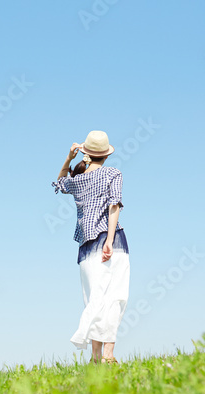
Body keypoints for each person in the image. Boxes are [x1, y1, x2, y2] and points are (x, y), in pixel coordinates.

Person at [52, 130, 130, 364]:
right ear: (106, 155)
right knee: (115, 296)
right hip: (114, 241)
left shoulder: (78, 180)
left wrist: (68, 158)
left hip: (87, 245)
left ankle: (96, 357)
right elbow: (114, 205)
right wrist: (108, 239)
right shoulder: (113, 174)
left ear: (86, 153)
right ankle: (108, 354)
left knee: (94, 298)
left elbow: (59, 182)